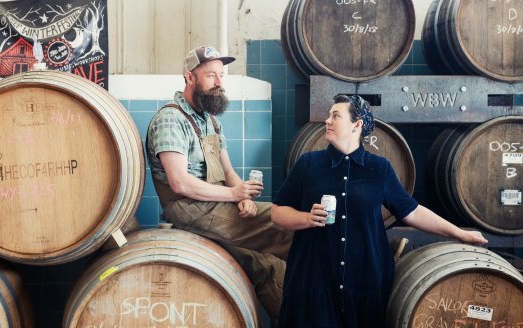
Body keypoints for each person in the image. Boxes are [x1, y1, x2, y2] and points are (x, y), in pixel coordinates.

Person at [270, 94, 488, 327]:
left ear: (357, 125)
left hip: (365, 278)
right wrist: (306, 218)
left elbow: (412, 212)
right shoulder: (308, 164)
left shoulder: (379, 168)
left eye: (335, 116)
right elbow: (277, 212)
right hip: (314, 277)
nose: (327, 121)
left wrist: (459, 233)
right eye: (328, 116)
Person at [145, 45, 293, 325]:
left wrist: (243, 198)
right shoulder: (170, 119)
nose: (219, 83)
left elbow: (228, 172)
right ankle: (357, 262)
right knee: (282, 221)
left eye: (221, 76)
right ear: (190, 78)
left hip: (214, 205)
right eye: (211, 75)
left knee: (266, 267)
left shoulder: (210, 121)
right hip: (187, 208)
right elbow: (179, 183)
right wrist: (234, 193)